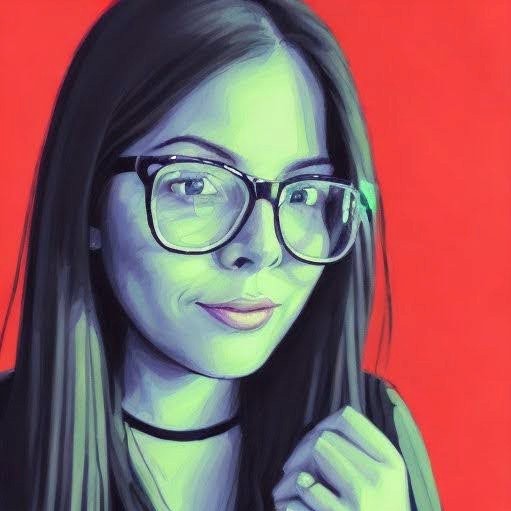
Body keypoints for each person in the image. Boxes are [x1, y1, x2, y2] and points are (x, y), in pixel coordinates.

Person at [0, 1, 442, 510]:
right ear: (89, 203)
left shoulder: (374, 449)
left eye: (303, 194)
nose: (262, 249)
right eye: (195, 185)